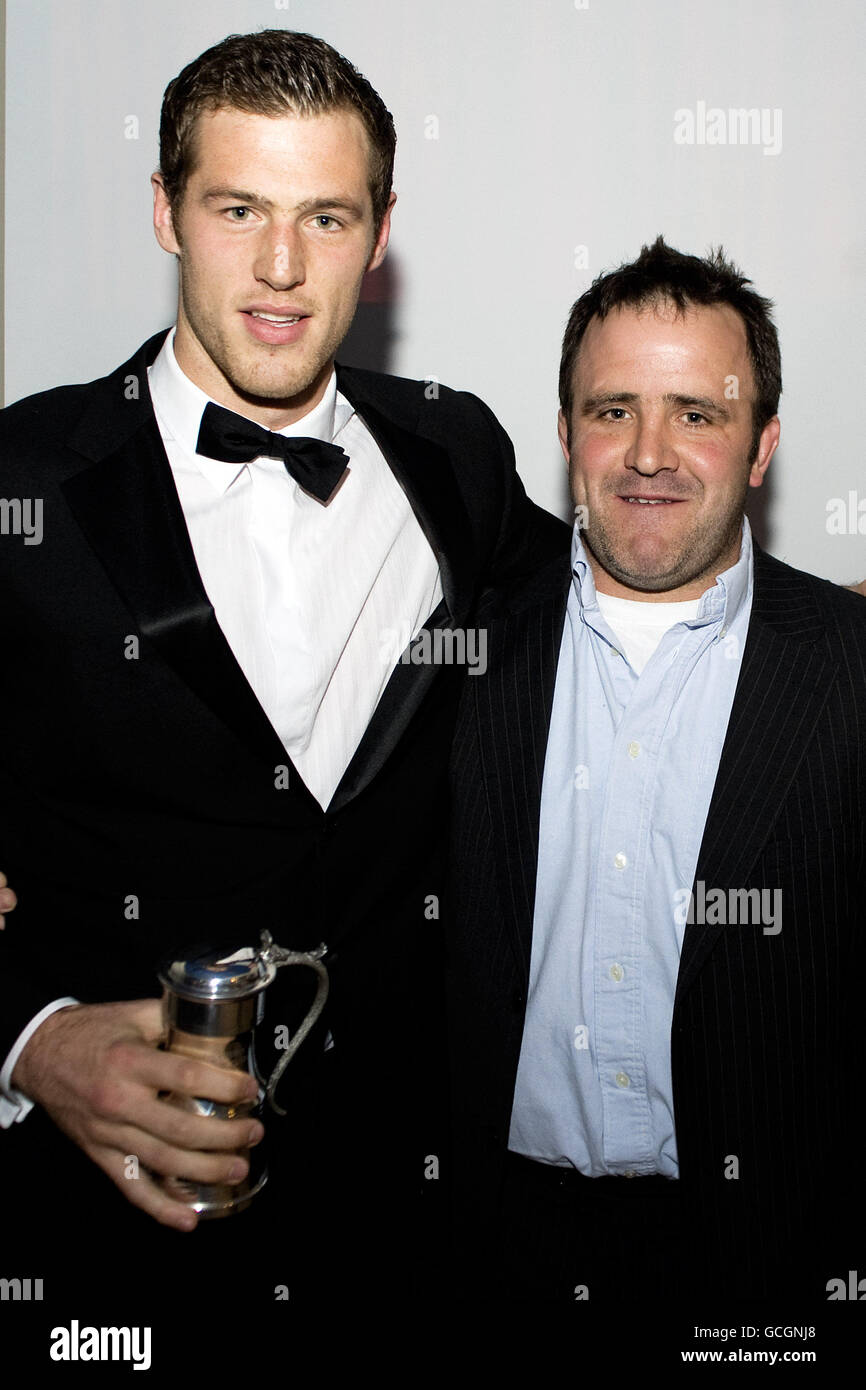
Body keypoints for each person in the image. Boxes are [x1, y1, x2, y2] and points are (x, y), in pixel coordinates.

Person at [0, 29, 563, 1315]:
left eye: (325, 216)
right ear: (164, 211)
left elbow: (598, 599)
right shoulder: (20, 482)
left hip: (406, 1215)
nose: (277, 268)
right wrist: (30, 1039)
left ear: (379, 234)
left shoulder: (453, 451)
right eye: (236, 208)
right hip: (96, 1226)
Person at [447, 237, 866, 1304]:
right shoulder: (453, 661)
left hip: (774, 1260)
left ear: (760, 446)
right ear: (563, 436)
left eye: (695, 412)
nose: (646, 452)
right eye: (611, 409)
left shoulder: (848, 668)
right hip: (498, 1256)